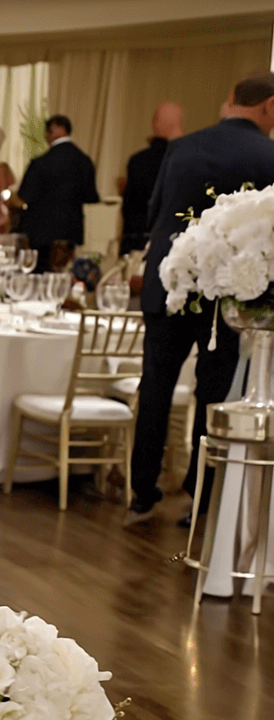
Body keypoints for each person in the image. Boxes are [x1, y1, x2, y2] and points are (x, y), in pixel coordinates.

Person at [127, 73, 274, 527]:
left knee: (155, 389)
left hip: (168, 284)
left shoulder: (183, 146)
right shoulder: (268, 154)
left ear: (232, 100)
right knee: (212, 394)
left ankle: (142, 494)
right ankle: (200, 499)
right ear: (268, 107)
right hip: (227, 293)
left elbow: (154, 214)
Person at [17, 115, 99, 270]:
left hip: (40, 231)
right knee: (62, 274)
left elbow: (25, 196)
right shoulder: (84, 161)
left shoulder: (41, 163)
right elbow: (91, 196)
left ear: (52, 130)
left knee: (39, 276)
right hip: (70, 229)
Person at [120, 102, 182, 255]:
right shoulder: (188, 160)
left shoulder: (138, 161)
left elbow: (130, 205)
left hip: (139, 238)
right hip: (175, 242)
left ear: (157, 125)